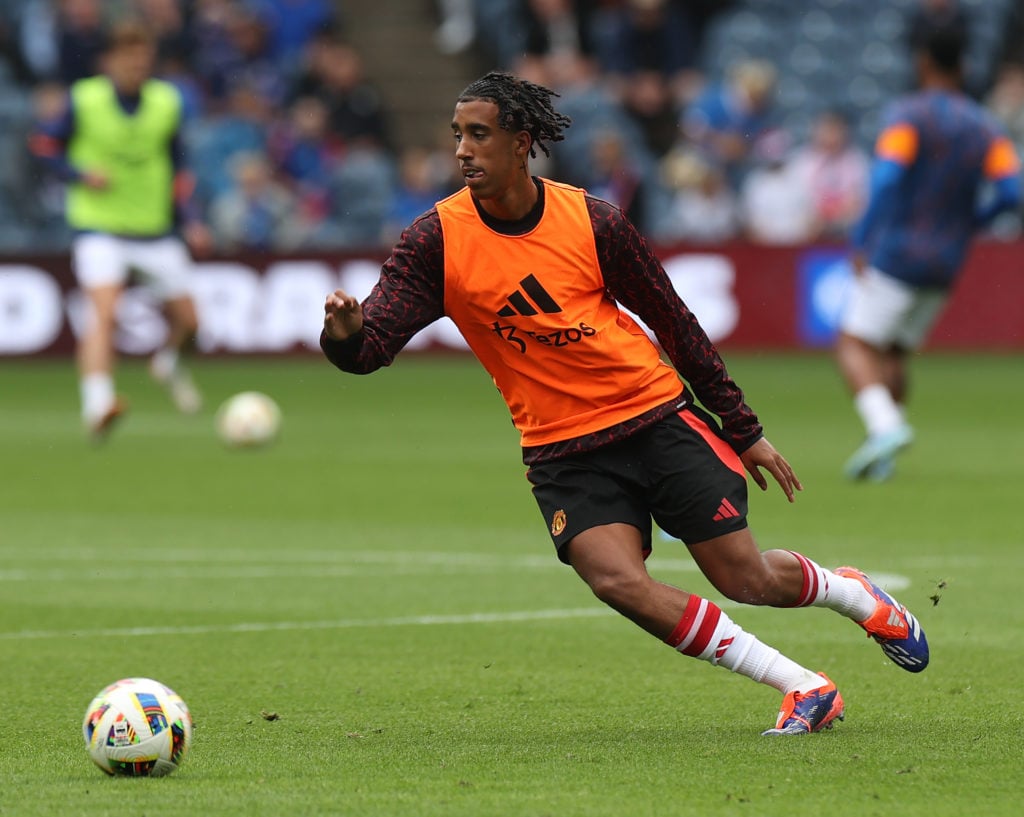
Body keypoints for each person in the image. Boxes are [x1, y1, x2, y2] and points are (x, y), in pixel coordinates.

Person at [320, 72, 930, 735]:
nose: (462, 150)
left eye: (479, 135)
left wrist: (743, 428)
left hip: (654, 418)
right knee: (615, 581)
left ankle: (852, 593)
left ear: (521, 144)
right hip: (561, 450)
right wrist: (345, 331)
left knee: (746, 577)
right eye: (457, 136)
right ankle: (802, 684)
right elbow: (369, 347)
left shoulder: (593, 221)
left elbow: (676, 325)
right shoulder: (436, 239)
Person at [836, 27, 1022, 481]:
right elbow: (1013, 191)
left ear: (922, 62)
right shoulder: (985, 127)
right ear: (964, 66)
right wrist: (975, 221)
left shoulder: (907, 116)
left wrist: (862, 238)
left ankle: (885, 428)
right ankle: (884, 456)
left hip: (899, 251)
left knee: (854, 345)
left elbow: (886, 180)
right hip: (947, 261)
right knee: (895, 352)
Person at [29, 21, 212, 439]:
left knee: (192, 325)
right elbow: (42, 145)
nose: (135, 66)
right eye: (127, 58)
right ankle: (98, 405)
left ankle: (167, 363)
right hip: (100, 228)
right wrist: (77, 173)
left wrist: (192, 219)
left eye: (142, 58)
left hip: (155, 231)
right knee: (104, 313)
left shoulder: (166, 102)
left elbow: (179, 167)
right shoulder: (84, 100)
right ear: (108, 61)